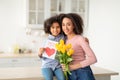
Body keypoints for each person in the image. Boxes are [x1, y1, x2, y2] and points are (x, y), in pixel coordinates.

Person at [59, 13, 97, 80]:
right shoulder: (63, 40)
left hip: (83, 72)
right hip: (71, 74)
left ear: (74, 25)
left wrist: (72, 67)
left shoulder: (80, 39)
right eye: (63, 25)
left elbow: (93, 59)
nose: (65, 28)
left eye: (68, 24)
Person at [38, 15, 65, 80]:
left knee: (63, 78)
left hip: (58, 66)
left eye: (57, 27)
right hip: (47, 66)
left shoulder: (63, 37)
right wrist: (40, 53)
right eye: (53, 27)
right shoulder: (46, 40)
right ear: (49, 28)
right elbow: (41, 56)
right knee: (49, 78)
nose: (55, 30)